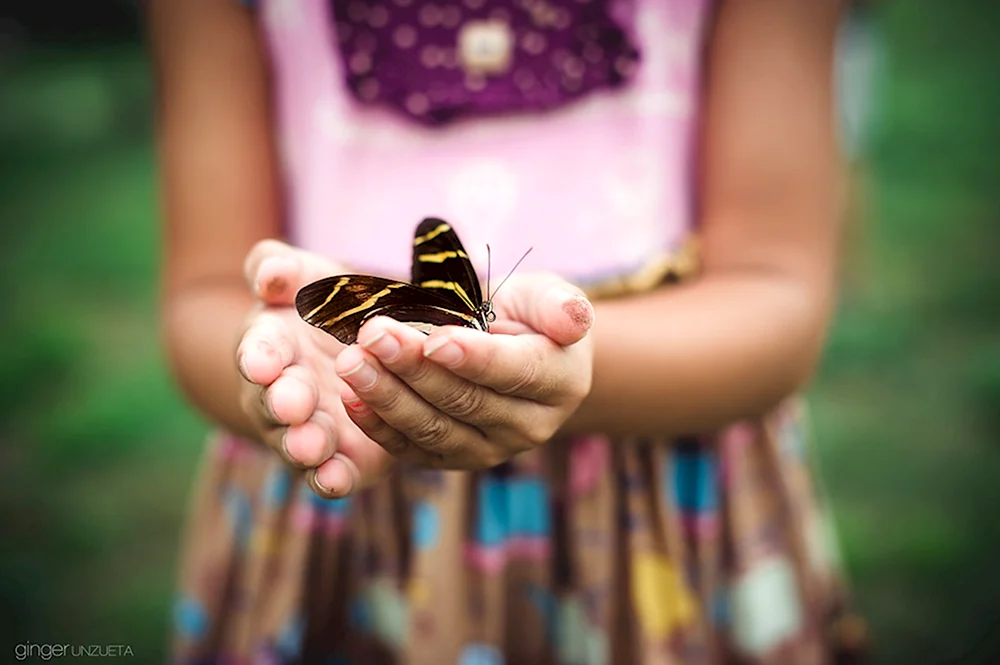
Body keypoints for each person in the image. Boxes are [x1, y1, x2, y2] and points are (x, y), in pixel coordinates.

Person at [152, 0, 870, 662]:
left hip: (665, 497)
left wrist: (565, 363)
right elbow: (202, 295)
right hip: (340, 488)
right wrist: (280, 369)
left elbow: (779, 290)